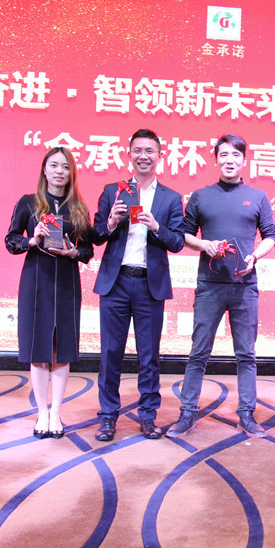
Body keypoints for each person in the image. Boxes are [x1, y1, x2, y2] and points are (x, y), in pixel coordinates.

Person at [165, 133, 275, 439]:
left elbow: (270, 235)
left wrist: (255, 255)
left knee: (246, 354)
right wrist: (205, 245)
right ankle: (188, 413)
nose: (230, 160)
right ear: (215, 160)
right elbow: (184, 234)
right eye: (224, 155)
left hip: (244, 285)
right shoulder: (201, 196)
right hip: (209, 284)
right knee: (198, 352)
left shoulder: (258, 197)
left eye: (236, 155)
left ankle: (247, 414)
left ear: (244, 160)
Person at [92, 129, 185, 441]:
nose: (143, 156)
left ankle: (148, 416)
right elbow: (95, 235)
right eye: (138, 150)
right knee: (110, 354)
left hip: (149, 285)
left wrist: (157, 227)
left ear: (159, 156)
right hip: (116, 282)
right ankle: (107, 417)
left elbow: (177, 242)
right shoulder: (113, 191)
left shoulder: (171, 198)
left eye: (150, 151)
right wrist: (110, 222)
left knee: (149, 356)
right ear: (129, 154)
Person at [5, 146, 94, 439]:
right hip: (36, 281)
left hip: (67, 282)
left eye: (66, 167)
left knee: (61, 349)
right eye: (54, 165)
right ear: (44, 169)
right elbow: (11, 240)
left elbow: (87, 250)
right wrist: (32, 240)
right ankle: (41, 413)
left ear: (72, 173)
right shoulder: (28, 203)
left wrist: (73, 252)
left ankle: (56, 412)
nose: (59, 171)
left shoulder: (78, 208)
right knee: (38, 348)